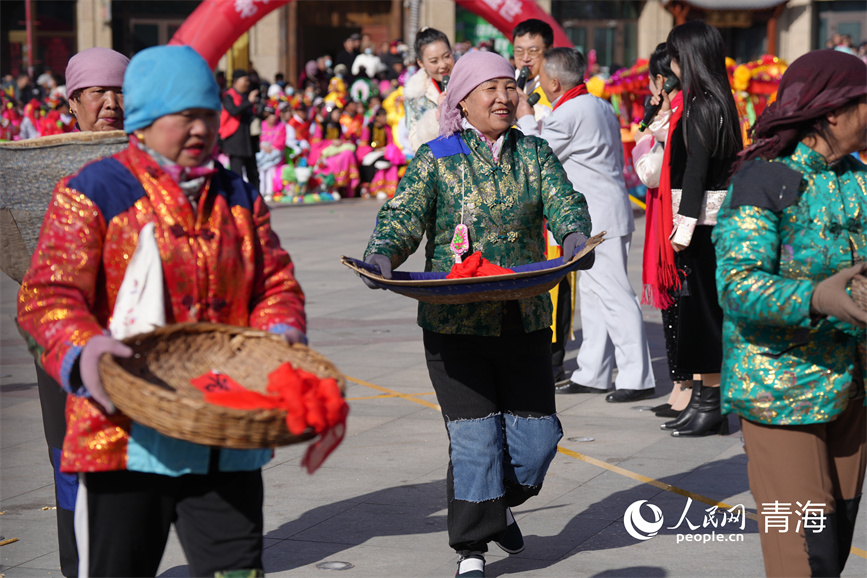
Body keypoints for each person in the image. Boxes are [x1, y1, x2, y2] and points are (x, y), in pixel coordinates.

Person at [16, 45, 307, 577]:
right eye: (182, 116)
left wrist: (278, 333)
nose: (199, 129)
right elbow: (46, 297)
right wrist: (86, 353)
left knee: (237, 569)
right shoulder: (93, 191)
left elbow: (275, 283)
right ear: (146, 121)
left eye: (207, 115)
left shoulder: (237, 195)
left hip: (222, 432)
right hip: (122, 440)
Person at [362, 51, 591, 577]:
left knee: (536, 444)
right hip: (454, 326)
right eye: (488, 88)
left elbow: (565, 202)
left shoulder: (535, 154)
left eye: (508, 87)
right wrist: (382, 255)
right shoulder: (436, 157)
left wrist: (575, 233)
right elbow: (403, 217)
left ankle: (496, 506)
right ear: (462, 99)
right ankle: (471, 548)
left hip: (525, 319)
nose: (503, 97)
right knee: (474, 439)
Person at [713, 49, 867, 577]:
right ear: (833, 112)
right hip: (779, 389)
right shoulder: (765, 178)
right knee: (804, 557)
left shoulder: (858, 177)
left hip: (850, 384)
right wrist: (817, 298)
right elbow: (737, 286)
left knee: (836, 543)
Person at [517, 48, 656, 402]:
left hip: (599, 216)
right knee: (594, 297)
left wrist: (527, 117)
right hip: (603, 211)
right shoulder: (597, 104)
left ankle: (636, 377)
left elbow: (538, 155)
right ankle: (593, 371)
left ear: (553, 81)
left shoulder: (570, 112)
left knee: (613, 295)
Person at [656, 21, 743, 437]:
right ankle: (708, 404)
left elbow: (695, 172)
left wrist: (683, 229)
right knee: (702, 315)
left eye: (675, 54)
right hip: (710, 222)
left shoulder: (701, 104)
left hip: (702, 224)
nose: (671, 63)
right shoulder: (717, 99)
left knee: (705, 316)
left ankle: (712, 407)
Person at [631, 42, 692, 418]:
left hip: (675, 217)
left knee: (681, 306)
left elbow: (649, 173)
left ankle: (687, 387)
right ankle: (679, 386)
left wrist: (645, 139)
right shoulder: (675, 109)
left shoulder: (681, 111)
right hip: (668, 215)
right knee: (674, 306)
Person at [404, 27, 454, 152]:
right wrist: (437, 116)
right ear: (420, 63)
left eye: (447, 56)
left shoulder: (469, 81)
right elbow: (415, 145)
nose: (443, 65)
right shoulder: (415, 95)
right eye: (434, 61)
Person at [66, 47, 128, 133]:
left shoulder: (146, 145)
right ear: (73, 101)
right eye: (99, 91)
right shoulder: (55, 146)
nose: (112, 104)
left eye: (121, 92)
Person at [220, 68, 260, 190]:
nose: (248, 83)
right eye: (245, 80)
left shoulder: (246, 96)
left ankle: (256, 201)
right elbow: (234, 111)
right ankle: (238, 202)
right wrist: (249, 101)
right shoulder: (228, 96)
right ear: (236, 81)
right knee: (236, 174)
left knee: (253, 174)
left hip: (249, 141)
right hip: (235, 142)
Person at [356, 107, 405, 199]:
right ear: (377, 117)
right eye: (382, 116)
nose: (385, 118)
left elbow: (390, 143)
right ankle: (369, 186)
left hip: (384, 153)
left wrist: (386, 149)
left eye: (385, 116)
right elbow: (363, 145)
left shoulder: (387, 128)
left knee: (392, 162)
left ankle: (388, 188)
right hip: (370, 152)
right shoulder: (368, 128)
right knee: (370, 163)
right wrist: (375, 150)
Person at [512, 19, 554, 123]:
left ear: (549, 51)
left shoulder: (557, 88)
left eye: (533, 51)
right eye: (519, 51)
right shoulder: (505, 83)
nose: (525, 58)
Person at [256, 102, 287, 200]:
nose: (273, 118)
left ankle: (269, 192)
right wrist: (263, 146)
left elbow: (282, 141)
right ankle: (261, 191)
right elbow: (257, 139)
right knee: (261, 170)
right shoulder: (261, 125)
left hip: (275, 153)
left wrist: (272, 147)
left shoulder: (281, 126)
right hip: (263, 151)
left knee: (271, 171)